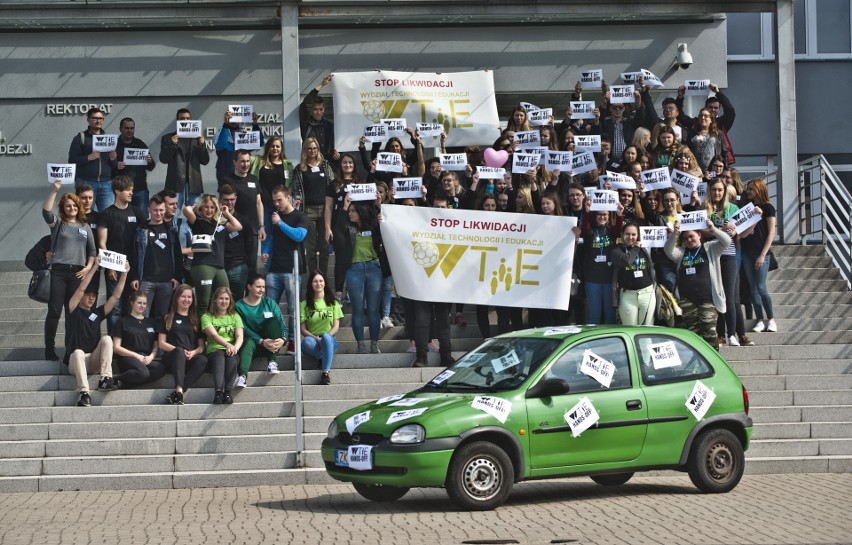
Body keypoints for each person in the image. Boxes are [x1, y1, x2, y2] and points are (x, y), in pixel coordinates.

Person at [42, 181, 96, 361]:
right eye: (68, 206)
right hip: (58, 272)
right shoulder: (58, 224)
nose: (71, 208)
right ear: (63, 208)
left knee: (73, 313)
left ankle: (70, 352)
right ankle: (49, 348)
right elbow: (46, 212)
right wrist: (55, 190)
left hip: (77, 274)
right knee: (55, 311)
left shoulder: (85, 226)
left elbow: (93, 252)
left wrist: (88, 267)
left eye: (74, 205)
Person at [65, 258, 128, 407]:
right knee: (78, 352)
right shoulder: (73, 309)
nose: (92, 298)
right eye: (88, 295)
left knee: (107, 339)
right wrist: (94, 267)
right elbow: (81, 289)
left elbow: (115, 297)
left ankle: (105, 378)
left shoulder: (97, 313)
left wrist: (124, 274)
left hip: (93, 360)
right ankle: (84, 393)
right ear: (82, 297)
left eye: (94, 295)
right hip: (75, 361)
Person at [664, 218, 731, 350]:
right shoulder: (682, 252)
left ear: (699, 235)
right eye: (685, 238)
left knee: (710, 333)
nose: (689, 240)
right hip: (687, 300)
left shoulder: (710, 248)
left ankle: (715, 362)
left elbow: (727, 241)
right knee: (694, 336)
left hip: (707, 300)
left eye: (691, 236)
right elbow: (668, 250)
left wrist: (713, 229)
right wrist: (675, 233)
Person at [705, 178, 753, 347]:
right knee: (717, 295)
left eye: (720, 190)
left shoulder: (732, 208)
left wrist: (734, 233)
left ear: (724, 191)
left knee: (731, 297)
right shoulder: (705, 209)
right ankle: (720, 334)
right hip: (711, 256)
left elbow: (743, 233)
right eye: (714, 190)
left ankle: (732, 334)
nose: (716, 193)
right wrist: (716, 231)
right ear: (709, 191)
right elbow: (699, 234)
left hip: (729, 255)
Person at [262, 185, 309, 352]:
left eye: (279, 200)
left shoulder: (300, 216)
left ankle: (292, 341)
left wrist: (280, 223)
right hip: (274, 269)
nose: (276, 204)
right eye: (274, 201)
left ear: (288, 197)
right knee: (270, 308)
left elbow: (299, 236)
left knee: (293, 309)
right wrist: (266, 252)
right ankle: (273, 339)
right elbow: (272, 239)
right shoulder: (276, 217)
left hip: (292, 269)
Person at [98, 175, 147, 333]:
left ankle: (127, 342)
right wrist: (109, 267)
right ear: (117, 191)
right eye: (127, 190)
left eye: (132, 190)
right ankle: (113, 344)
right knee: (115, 307)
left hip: (133, 266)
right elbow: (102, 243)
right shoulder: (107, 214)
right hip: (114, 266)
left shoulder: (137, 212)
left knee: (131, 306)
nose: (131, 193)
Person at [339, 201, 388, 354]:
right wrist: (345, 206)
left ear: (360, 212)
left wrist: (380, 207)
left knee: (373, 309)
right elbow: (337, 227)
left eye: (353, 211)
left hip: (374, 269)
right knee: (357, 309)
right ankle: (360, 344)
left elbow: (386, 231)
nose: (350, 213)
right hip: (354, 269)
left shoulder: (373, 227)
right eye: (350, 211)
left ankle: (374, 343)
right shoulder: (347, 228)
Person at [183, 194, 242, 314]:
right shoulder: (197, 222)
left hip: (219, 266)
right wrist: (196, 206)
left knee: (225, 299)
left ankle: (218, 327)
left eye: (212, 208)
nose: (209, 210)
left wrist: (227, 213)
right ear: (201, 208)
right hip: (203, 264)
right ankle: (200, 331)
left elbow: (238, 226)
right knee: (203, 302)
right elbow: (186, 210)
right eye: (206, 207)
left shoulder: (220, 224)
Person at [130, 194, 182, 321]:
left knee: (163, 317)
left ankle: (159, 341)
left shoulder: (171, 230)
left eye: (161, 210)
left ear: (165, 210)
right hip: (146, 280)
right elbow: (134, 254)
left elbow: (178, 254)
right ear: (148, 210)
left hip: (166, 281)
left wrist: (177, 277)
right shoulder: (141, 229)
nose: (158, 213)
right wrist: (134, 277)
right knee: (142, 315)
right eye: (155, 210)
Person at [291, 137, 336, 277]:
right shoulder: (300, 168)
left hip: (325, 210)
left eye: (314, 148)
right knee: (310, 247)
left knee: (324, 245)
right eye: (309, 148)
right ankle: (313, 277)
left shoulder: (325, 165)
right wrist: (297, 200)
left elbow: (332, 184)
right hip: (308, 210)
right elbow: (296, 189)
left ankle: (322, 278)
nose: (312, 151)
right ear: (305, 150)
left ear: (318, 149)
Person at [740, 178, 778, 333]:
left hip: (761, 253)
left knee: (761, 287)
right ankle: (759, 320)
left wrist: (763, 255)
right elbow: (743, 234)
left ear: (759, 190)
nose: (748, 191)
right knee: (753, 289)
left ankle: (771, 319)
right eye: (748, 189)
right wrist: (754, 218)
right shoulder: (748, 208)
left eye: (751, 189)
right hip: (747, 253)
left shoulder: (768, 208)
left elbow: (771, 233)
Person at [235, 274, 287, 386]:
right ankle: (242, 376)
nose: (262, 290)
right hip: (252, 344)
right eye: (258, 286)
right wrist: (261, 341)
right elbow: (244, 328)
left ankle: (272, 362)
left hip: (271, 345)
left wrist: (283, 339)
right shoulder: (239, 306)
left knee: (272, 321)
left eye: (263, 287)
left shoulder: (269, 303)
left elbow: (281, 324)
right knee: (248, 341)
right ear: (249, 287)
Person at [159, 285, 208, 405]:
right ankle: (179, 390)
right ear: (176, 298)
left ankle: (178, 394)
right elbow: (161, 343)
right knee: (179, 351)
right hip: (171, 358)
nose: (187, 299)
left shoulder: (196, 320)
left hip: (189, 358)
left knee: (203, 360)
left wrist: (193, 352)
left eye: (189, 297)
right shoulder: (167, 317)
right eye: (183, 296)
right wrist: (179, 350)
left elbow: (202, 346)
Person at [219, 149, 266, 274]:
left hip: (252, 229)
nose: (245, 164)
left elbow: (258, 203)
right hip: (234, 228)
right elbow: (222, 203)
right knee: (235, 263)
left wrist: (261, 226)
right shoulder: (227, 180)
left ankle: (250, 290)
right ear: (234, 162)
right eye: (242, 161)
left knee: (251, 264)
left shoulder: (254, 179)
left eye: (247, 161)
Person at [159, 108, 209, 212]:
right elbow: (163, 159)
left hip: (194, 183)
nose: (185, 121)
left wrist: (202, 145)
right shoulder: (168, 138)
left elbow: (205, 161)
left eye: (187, 118)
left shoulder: (197, 138)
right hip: (175, 183)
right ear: (177, 120)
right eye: (182, 118)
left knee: (195, 214)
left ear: (191, 120)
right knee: (173, 214)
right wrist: (173, 144)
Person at [580, 205, 623, 325]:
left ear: (609, 216)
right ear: (595, 216)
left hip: (609, 279)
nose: (602, 217)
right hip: (592, 279)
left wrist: (619, 215)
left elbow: (619, 229)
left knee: (610, 316)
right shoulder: (590, 231)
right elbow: (584, 229)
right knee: (594, 316)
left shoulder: (610, 231)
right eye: (599, 214)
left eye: (605, 214)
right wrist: (587, 213)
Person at [112, 290, 166, 386]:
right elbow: (116, 348)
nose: (142, 306)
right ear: (132, 303)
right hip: (128, 358)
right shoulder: (122, 321)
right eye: (139, 303)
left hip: (146, 358)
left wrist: (151, 356)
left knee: (162, 368)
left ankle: (125, 383)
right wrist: (136, 356)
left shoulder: (151, 322)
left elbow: (155, 344)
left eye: (144, 303)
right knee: (143, 373)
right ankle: (116, 379)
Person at [67, 107, 116, 211]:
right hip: (86, 183)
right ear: (88, 119)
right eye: (95, 118)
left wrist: (113, 159)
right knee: (85, 216)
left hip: (106, 184)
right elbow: (72, 160)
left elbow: (114, 165)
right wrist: (89, 157)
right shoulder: (81, 137)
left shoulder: (109, 139)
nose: (98, 120)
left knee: (107, 217)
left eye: (101, 118)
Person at [300, 271, 342, 385]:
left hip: (330, 339)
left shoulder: (333, 303)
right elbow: (303, 330)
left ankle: (325, 373)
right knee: (306, 343)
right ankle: (323, 356)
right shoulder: (304, 304)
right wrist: (317, 339)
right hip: (313, 340)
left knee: (327, 338)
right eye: (315, 281)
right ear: (311, 284)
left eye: (320, 281)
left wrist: (325, 337)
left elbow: (336, 326)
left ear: (325, 283)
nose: (318, 283)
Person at [326, 154, 359, 300]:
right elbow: (328, 207)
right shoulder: (333, 184)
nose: (347, 165)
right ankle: (338, 292)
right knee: (340, 258)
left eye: (350, 162)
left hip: (355, 225)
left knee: (353, 257)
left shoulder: (360, 182)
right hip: (338, 224)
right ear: (340, 165)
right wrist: (327, 227)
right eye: (344, 162)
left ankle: (350, 290)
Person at [611, 223, 656, 326]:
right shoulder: (616, 250)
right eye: (627, 234)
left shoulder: (644, 248)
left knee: (647, 329)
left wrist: (672, 234)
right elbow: (627, 261)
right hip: (627, 296)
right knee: (630, 329)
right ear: (622, 234)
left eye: (633, 234)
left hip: (647, 293)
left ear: (638, 235)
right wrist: (636, 248)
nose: (630, 237)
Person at [203, 287, 244, 400]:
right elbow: (214, 335)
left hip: (230, 351)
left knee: (231, 356)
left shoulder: (235, 316)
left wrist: (235, 347)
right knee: (219, 355)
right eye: (221, 298)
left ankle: (227, 392)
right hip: (214, 352)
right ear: (215, 300)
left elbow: (240, 335)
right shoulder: (207, 317)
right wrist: (228, 345)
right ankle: (218, 392)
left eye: (227, 299)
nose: (224, 301)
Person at [218, 185, 252, 300]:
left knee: (237, 302)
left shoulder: (244, 221)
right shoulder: (214, 221)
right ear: (220, 200)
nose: (229, 203)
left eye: (232, 199)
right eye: (226, 200)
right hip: (219, 267)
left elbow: (250, 246)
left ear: (236, 199)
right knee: (218, 301)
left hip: (238, 266)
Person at [113, 117, 156, 209]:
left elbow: (151, 167)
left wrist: (150, 161)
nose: (129, 131)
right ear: (120, 129)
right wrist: (115, 164)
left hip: (140, 189)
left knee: (141, 218)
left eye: (132, 128)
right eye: (126, 128)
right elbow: (106, 165)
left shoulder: (140, 144)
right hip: (121, 190)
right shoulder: (114, 145)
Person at [251, 136, 294, 221]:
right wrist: (244, 136)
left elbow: (291, 183)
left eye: (277, 146)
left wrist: (287, 197)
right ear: (268, 148)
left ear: (281, 148)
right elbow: (243, 155)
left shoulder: (288, 165)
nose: (275, 148)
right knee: (267, 232)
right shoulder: (258, 161)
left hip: (282, 205)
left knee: (281, 231)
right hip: (264, 204)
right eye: (272, 146)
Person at [214, 110, 263, 183]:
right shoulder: (220, 133)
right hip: (226, 177)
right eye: (231, 118)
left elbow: (260, 143)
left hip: (244, 176)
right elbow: (220, 145)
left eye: (236, 118)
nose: (234, 121)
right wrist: (226, 124)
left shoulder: (244, 132)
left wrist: (255, 125)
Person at [300, 73, 338, 161]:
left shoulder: (329, 125)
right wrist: (322, 84)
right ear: (311, 110)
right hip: (310, 162)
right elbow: (305, 104)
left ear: (324, 110)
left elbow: (334, 144)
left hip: (327, 163)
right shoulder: (306, 123)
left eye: (321, 109)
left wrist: (336, 154)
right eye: (315, 109)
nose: (318, 112)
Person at [688, 108, 728, 175]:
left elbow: (724, 152)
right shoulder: (691, 134)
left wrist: (725, 169)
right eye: (701, 116)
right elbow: (687, 152)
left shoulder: (718, 133)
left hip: (713, 171)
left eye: (706, 116)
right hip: (696, 172)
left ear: (711, 119)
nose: (703, 118)